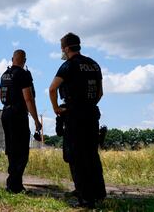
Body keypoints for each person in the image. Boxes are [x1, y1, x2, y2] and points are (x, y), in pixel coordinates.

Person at [49, 32, 106, 208]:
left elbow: (52, 89)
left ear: (66, 48)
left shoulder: (68, 66)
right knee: (91, 154)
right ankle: (98, 192)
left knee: (75, 156)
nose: (62, 52)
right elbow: (100, 93)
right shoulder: (94, 64)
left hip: (74, 115)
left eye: (62, 49)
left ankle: (85, 198)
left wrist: (57, 108)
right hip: (91, 113)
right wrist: (89, 105)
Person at [0, 49, 42, 193]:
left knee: (11, 149)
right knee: (22, 151)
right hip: (18, 114)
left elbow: (0, 95)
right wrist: (36, 120)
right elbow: (28, 98)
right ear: (24, 60)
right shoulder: (23, 75)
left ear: (12, 59)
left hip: (6, 113)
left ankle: (12, 183)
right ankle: (14, 185)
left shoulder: (4, 75)